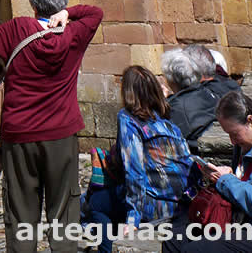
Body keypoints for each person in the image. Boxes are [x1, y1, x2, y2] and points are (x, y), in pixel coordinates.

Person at [0, 0, 103, 253]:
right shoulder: (74, 34)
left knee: (20, 210)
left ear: (33, 5)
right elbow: (95, 13)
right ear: (60, 6)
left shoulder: (18, 29)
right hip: (61, 133)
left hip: (19, 134)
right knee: (64, 206)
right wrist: (68, 13)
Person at [82, 65, 191, 253]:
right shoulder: (167, 123)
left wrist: (134, 219)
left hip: (155, 204)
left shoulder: (128, 119)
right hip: (179, 203)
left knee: (95, 203)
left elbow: (135, 172)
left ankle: (107, 249)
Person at [161, 89, 252, 252]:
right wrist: (218, 177)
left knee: (196, 250)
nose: (232, 141)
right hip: (236, 219)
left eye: (234, 134)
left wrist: (226, 180)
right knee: (173, 239)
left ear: (250, 121)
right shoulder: (242, 146)